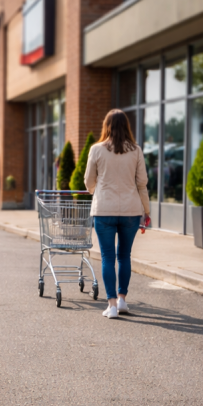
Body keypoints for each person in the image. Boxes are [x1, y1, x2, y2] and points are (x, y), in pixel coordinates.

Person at [83, 109, 151, 319]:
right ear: (127, 127)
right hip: (131, 211)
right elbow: (142, 184)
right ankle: (122, 300)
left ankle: (111, 305)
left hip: (104, 210)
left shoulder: (96, 150)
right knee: (124, 256)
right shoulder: (136, 151)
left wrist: (96, 191)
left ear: (107, 126)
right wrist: (146, 211)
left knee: (107, 257)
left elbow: (88, 181)